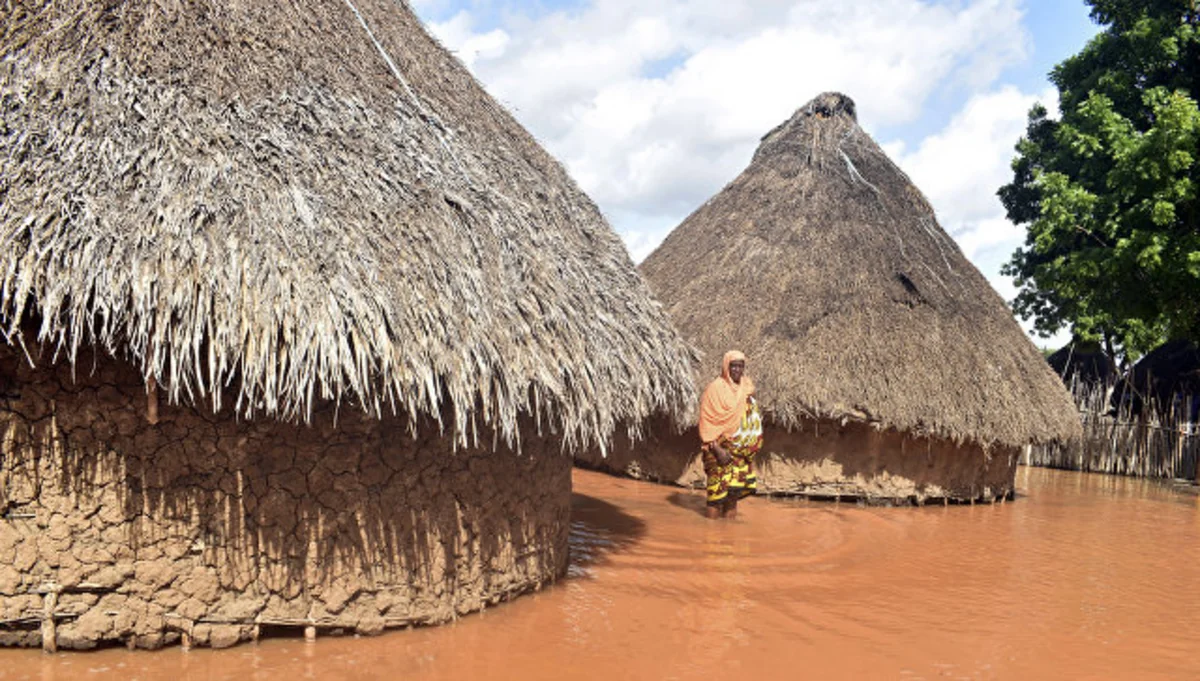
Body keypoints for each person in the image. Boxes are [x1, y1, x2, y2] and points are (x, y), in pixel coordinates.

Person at [698, 350, 763, 519]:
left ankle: (729, 538)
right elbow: (707, 422)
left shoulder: (747, 388)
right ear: (726, 366)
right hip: (718, 450)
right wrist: (717, 449)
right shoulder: (715, 389)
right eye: (733, 366)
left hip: (739, 453)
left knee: (732, 496)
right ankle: (710, 538)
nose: (737, 370)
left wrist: (749, 445)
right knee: (715, 497)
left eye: (740, 366)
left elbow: (750, 418)